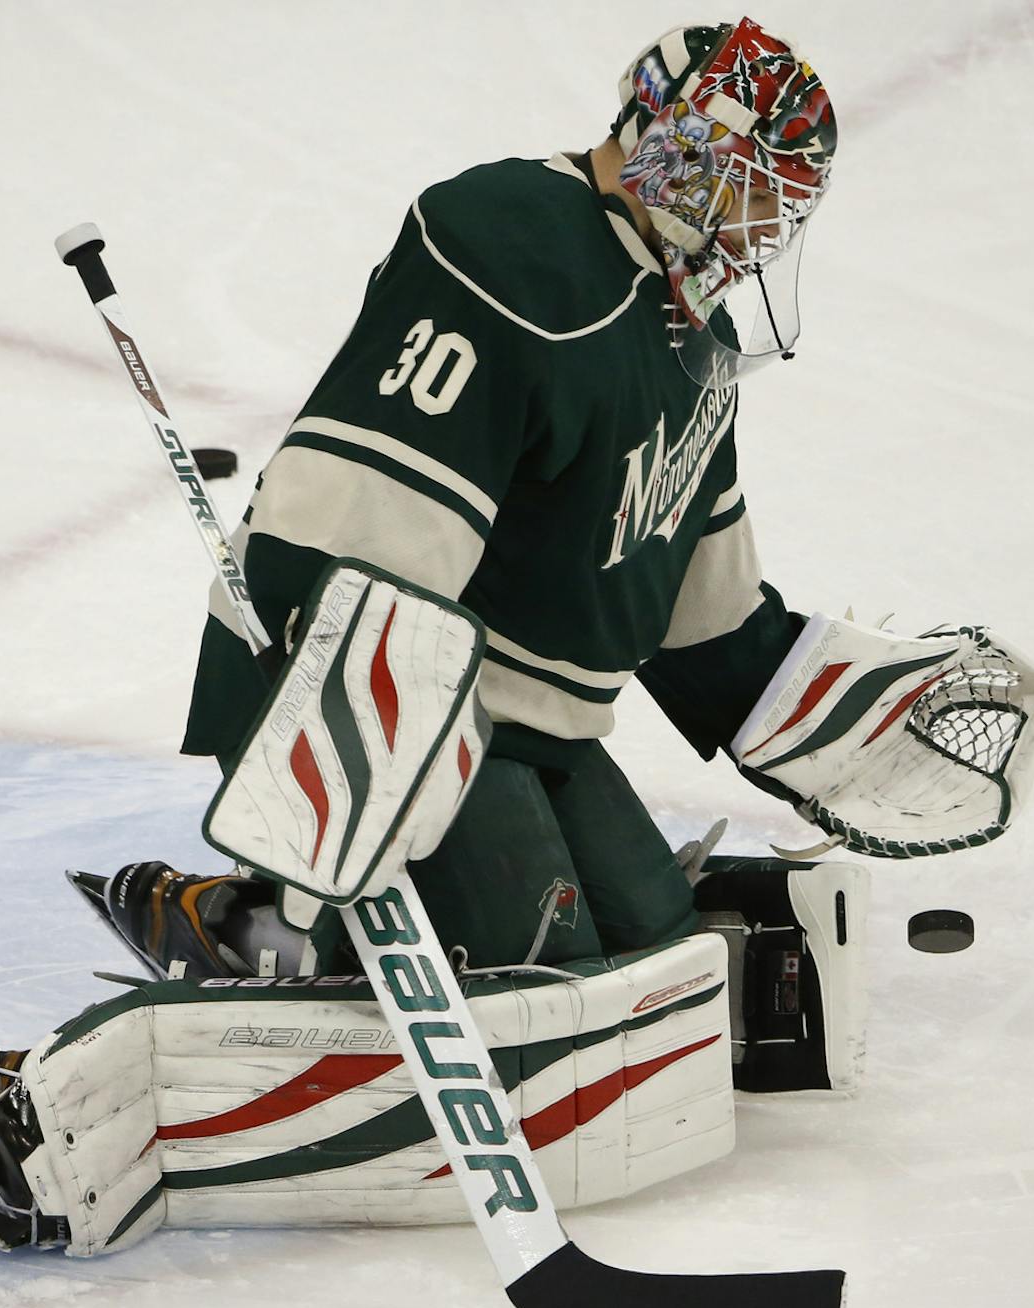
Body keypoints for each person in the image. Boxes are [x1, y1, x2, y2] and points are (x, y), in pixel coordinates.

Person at [85, 16, 839, 983]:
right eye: (751, 193)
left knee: (654, 947)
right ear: (680, 150)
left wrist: (823, 720)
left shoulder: (692, 327)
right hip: (383, 687)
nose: (762, 232)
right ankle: (242, 922)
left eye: (782, 209)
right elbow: (363, 517)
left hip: (532, 717)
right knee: (528, 967)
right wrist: (330, 772)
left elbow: (704, 599)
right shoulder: (511, 238)